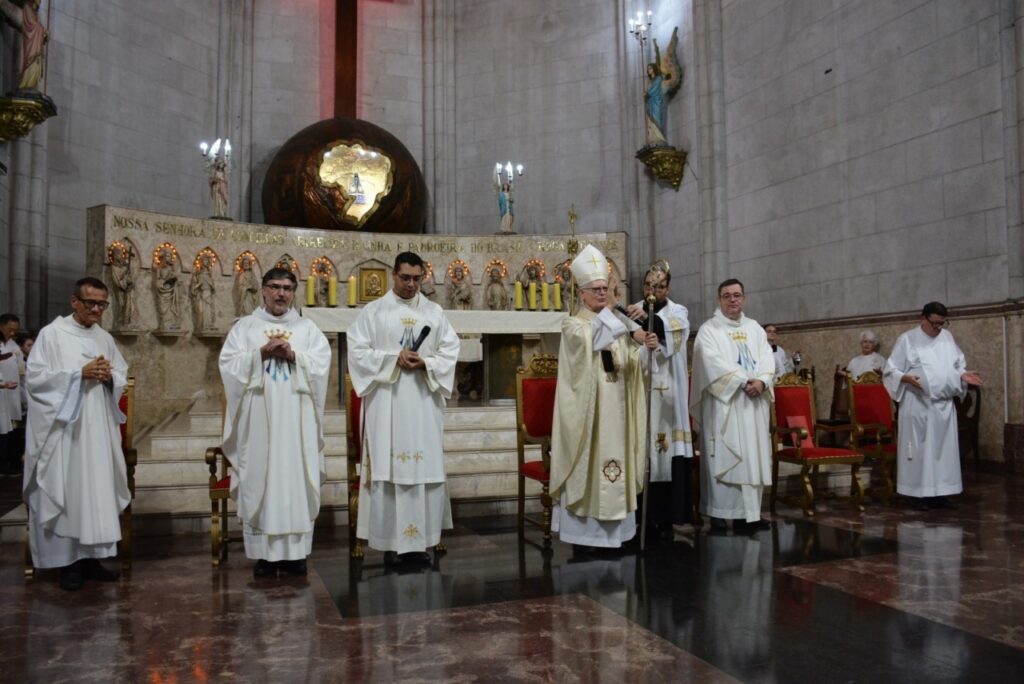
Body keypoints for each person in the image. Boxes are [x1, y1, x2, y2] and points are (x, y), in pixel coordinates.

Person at [348, 251, 460, 564]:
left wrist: (427, 362)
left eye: (416, 278)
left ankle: (421, 543)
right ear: (393, 276)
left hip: (423, 403)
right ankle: (389, 544)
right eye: (405, 278)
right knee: (390, 469)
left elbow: (450, 351)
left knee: (421, 469)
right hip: (388, 405)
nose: (411, 285)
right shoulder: (374, 312)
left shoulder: (435, 313)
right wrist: (391, 359)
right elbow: (357, 352)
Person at [219, 267, 331, 578]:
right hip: (258, 421)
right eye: (274, 287)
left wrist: (295, 356)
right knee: (261, 478)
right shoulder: (245, 328)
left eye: (287, 287)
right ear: (263, 290)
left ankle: (295, 554)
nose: (281, 293)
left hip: (296, 422)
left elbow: (322, 365)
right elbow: (228, 366)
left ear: (294, 292)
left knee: (294, 478)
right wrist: (261, 354)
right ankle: (264, 556)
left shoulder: (308, 329)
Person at [23, 278, 128, 590]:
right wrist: (77, 374)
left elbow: (121, 373)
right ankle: (66, 562)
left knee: (94, 491)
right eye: (90, 303)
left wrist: (111, 377)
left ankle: (92, 558)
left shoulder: (105, 339)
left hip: (97, 428)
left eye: (101, 304)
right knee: (67, 490)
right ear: (74, 302)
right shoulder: (51, 335)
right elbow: (36, 380)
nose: (96, 309)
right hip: (63, 432)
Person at [550, 245, 649, 549]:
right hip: (589, 418)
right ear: (581, 293)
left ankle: (616, 536)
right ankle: (585, 537)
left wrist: (646, 349)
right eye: (596, 289)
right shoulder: (573, 325)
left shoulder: (615, 325)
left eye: (606, 288)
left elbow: (631, 364)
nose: (603, 293)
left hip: (617, 413)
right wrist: (627, 325)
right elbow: (593, 341)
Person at [690, 278, 775, 532]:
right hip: (725, 404)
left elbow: (766, 359)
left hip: (753, 404)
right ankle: (719, 514)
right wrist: (742, 381)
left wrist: (761, 381)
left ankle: (749, 514)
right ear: (719, 300)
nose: (732, 300)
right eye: (726, 296)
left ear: (744, 298)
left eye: (737, 295)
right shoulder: (709, 330)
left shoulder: (756, 329)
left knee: (751, 457)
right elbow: (710, 361)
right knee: (726, 455)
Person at [883, 302, 981, 511]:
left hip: (943, 407)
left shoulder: (947, 337)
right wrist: (906, 378)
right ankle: (916, 494)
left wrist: (962, 375)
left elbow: (957, 365)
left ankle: (940, 493)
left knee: (942, 451)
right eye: (935, 323)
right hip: (918, 404)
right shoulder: (908, 339)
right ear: (923, 318)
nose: (938, 328)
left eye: (942, 324)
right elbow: (890, 370)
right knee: (920, 451)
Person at [626, 265, 695, 535]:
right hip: (641, 390)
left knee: (667, 455)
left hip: (669, 396)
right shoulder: (631, 310)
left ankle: (668, 517)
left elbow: (674, 336)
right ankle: (641, 516)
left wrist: (651, 324)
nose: (652, 291)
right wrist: (637, 335)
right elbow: (625, 341)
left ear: (668, 288)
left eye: (658, 286)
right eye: (648, 286)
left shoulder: (678, 312)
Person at [0, 313, 23, 474]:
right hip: (2, 392)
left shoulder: (14, 346)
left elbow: (21, 370)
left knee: (10, 431)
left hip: (12, 394)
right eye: (10, 330)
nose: (13, 333)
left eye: (15, 330)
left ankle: (9, 464)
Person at [190, 253, 217, 331]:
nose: (207, 262)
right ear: (201, 261)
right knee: (201, 310)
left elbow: (213, 287)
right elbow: (193, 287)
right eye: (205, 260)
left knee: (209, 310)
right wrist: (198, 285)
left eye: (208, 260)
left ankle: (209, 325)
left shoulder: (209, 274)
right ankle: (202, 325)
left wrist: (211, 285)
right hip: (201, 295)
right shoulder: (197, 274)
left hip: (208, 294)